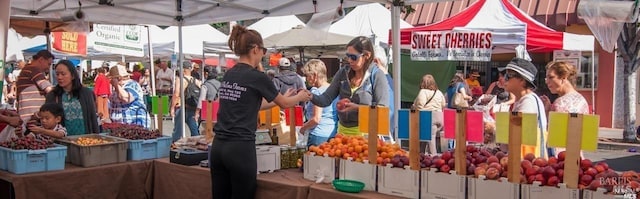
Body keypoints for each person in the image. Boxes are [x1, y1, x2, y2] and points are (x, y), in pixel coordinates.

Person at [210, 24, 311, 199]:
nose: (263, 55)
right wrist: (300, 96)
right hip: (240, 148)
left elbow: (250, 105)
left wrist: (281, 99)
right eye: (263, 50)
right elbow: (285, 104)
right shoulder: (257, 77)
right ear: (255, 49)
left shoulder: (229, 74)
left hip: (219, 146)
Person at [310, 36, 390, 136]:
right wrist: (310, 96)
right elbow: (326, 99)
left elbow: (382, 110)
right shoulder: (343, 72)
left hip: (367, 135)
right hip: (342, 134)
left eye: (353, 57)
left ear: (367, 55)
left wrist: (357, 107)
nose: (350, 60)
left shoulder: (377, 75)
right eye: (348, 56)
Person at [540, 61, 589, 157]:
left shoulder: (560, 103)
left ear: (563, 77)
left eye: (551, 77)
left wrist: (547, 112)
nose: (547, 81)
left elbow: (551, 135)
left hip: (560, 157)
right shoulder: (582, 100)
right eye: (547, 78)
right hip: (577, 155)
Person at [503, 57, 548, 159]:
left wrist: (493, 129)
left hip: (527, 160)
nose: (504, 79)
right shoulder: (522, 100)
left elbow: (519, 131)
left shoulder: (528, 101)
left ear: (522, 81)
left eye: (509, 75)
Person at [45, 60, 99, 135]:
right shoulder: (52, 95)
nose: (59, 77)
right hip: (62, 141)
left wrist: (96, 136)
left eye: (63, 74)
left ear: (73, 75)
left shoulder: (86, 93)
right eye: (57, 74)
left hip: (85, 140)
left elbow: (93, 117)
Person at [299, 59, 337, 147]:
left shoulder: (318, 93)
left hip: (318, 135)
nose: (307, 79)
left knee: (314, 160)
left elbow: (316, 119)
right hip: (332, 133)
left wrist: (303, 128)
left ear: (315, 75)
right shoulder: (333, 89)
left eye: (308, 76)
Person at [16, 50, 54, 127]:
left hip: (26, 115)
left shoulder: (27, 69)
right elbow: (49, 89)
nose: (48, 67)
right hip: (31, 116)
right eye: (48, 64)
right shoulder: (33, 69)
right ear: (41, 60)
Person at [108, 63, 150, 128]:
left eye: (112, 79)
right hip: (120, 126)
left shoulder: (133, 85)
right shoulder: (116, 89)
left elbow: (126, 98)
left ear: (118, 78)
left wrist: (116, 85)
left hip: (135, 123)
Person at [412, 74, 446, 154]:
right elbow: (443, 104)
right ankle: (421, 154)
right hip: (440, 117)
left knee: (430, 138)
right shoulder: (439, 92)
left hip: (429, 117)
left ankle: (434, 157)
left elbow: (420, 105)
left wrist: (415, 108)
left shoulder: (423, 92)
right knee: (427, 136)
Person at [170, 61, 201, 142]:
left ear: (183, 69)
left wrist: (172, 108)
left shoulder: (180, 79)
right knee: (194, 130)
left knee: (178, 130)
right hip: (191, 107)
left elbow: (176, 94)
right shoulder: (196, 81)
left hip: (181, 107)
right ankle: (197, 145)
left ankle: (175, 148)